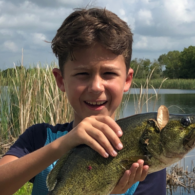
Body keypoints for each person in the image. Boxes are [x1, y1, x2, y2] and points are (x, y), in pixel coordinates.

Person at [0, 8, 166, 195]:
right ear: (61, 80)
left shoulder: (145, 158)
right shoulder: (40, 138)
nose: (96, 86)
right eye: (82, 74)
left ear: (127, 80)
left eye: (109, 74)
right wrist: (62, 144)